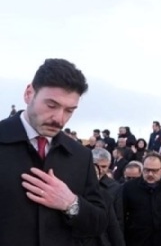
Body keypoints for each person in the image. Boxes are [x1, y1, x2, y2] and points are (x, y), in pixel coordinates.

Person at [0, 58, 107, 245]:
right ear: (29, 94)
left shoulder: (80, 156)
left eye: (69, 110)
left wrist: (71, 203)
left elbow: (99, 223)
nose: (59, 119)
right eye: (51, 105)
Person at [121, 153, 161, 246]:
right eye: (147, 170)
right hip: (136, 240)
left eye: (154, 171)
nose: (150, 174)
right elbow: (121, 215)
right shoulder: (129, 187)